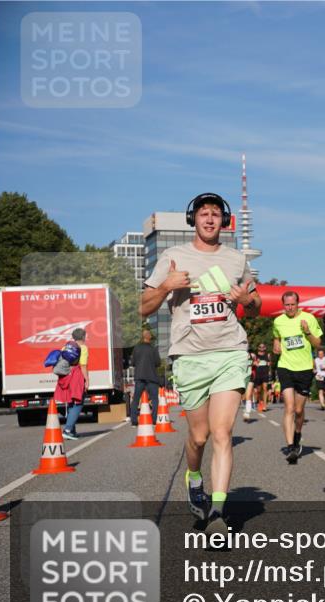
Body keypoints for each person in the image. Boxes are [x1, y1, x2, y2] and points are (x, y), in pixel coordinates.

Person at [140, 192, 260, 536]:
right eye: (204, 214)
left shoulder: (236, 260)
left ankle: (218, 511)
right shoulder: (173, 256)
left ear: (225, 221)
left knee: (223, 432)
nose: (210, 219)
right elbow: (144, 308)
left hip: (230, 351)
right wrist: (166, 285)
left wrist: (245, 300)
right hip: (190, 356)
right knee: (199, 436)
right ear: (194, 219)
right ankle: (194, 476)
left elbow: (252, 304)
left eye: (216, 214)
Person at [273, 291, 323, 463]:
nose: (290, 308)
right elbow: (277, 336)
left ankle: (297, 434)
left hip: (304, 369)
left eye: (293, 304)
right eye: (286, 305)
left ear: (298, 303)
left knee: (299, 410)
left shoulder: (309, 318)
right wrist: (276, 343)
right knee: (289, 407)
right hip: (285, 366)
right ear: (283, 305)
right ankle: (290, 447)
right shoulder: (278, 321)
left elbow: (318, 344)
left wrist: (307, 332)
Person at [54, 327, 87, 439]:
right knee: (78, 402)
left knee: (71, 403)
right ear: (83, 337)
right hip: (76, 377)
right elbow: (83, 366)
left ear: (73, 337)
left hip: (66, 377)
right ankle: (67, 430)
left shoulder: (66, 347)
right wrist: (87, 380)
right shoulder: (83, 348)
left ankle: (72, 431)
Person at [130, 329, 162, 426]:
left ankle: (134, 421)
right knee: (154, 399)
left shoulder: (136, 348)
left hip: (140, 377)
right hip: (152, 378)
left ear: (143, 337)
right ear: (150, 337)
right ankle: (153, 420)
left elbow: (133, 363)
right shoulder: (153, 349)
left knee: (136, 399)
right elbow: (158, 363)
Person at [245, 343, 273, 419]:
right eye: (260, 346)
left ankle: (265, 405)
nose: (261, 348)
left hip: (265, 374)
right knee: (258, 391)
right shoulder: (255, 355)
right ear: (258, 348)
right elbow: (252, 364)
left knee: (265, 388)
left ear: (265, 348)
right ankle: (260, 401)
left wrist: (269, 367)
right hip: (257, 374)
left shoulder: (268, 355)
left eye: (263, 346)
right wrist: (255, 363)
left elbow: (270, 364)